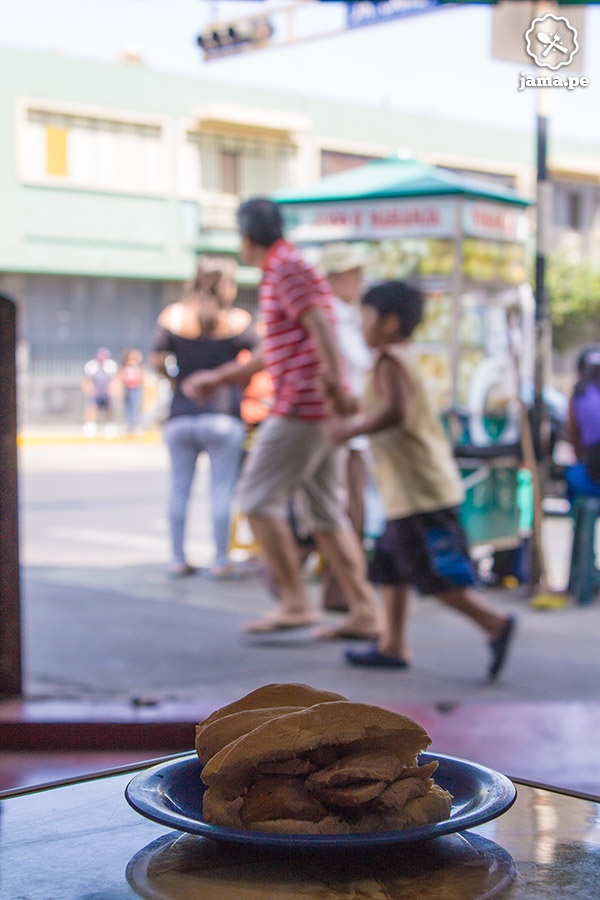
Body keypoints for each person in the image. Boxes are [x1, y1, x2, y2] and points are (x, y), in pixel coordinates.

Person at [182, 198, 380, 639]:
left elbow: (320, 328)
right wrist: (221, 378)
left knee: (255, 498)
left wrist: (339, 389)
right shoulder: (285, 269)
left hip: (303, 406)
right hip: (314, 404)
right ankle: (365, 610)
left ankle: (294, 601)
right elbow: (281, 347)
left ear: (247, 238)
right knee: (327, 513)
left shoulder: (286, 268)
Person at [328, 280, 516, 680]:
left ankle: (494, 623)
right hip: (406, 490)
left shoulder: (391, 361)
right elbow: (368, 405)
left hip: (419, 490)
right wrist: (336, 398)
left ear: (391, 323)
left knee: (431, 573)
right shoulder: (391, 360)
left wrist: (347, 431)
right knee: (390, 567)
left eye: (367, 315)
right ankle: (392, 645)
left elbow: (394, 412)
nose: (361, 323)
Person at [149, 255, 259, 579]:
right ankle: (221, 560)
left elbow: (156, 359)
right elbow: (259, 356)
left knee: (179, 489)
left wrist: (177, 381)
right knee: (221, 490)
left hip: (181, 415)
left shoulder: (173, 316)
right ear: (223, 284)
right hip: (222, 416)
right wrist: (236, 379)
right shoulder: (237, 320)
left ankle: (178, 558)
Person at [318, 242, 374, 612]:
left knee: (351, 513)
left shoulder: (351, 316)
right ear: (337, 278)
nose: (359, 281)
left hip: (355, 432)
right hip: (337, 431)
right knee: (339, 513)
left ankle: (344, 594)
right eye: (353, 274)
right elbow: (332, 376)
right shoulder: (329, 318)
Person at [565, 348, 600, 500]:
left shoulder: (579, 394)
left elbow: (574, 435)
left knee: (571, 476)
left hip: (592, 474)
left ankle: (579, 521)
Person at [81, 347, 118, 437]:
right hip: (96, 391)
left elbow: (114, 380)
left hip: (106, 392)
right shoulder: (91, 366)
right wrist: (88, 390)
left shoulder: (110, 366)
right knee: (92, 408)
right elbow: (87, 380)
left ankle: (109, 428)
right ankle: (90, 427)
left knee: (109, 410)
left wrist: (114, 390)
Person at [119, 347, 145, 434]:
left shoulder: (139, 366)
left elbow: (142, 378)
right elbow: (121, 377)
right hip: (127, 389)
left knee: (135, 407)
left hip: (136, 388)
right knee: (128, 407)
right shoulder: (125, 366)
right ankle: (129, 425)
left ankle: (134, 426)